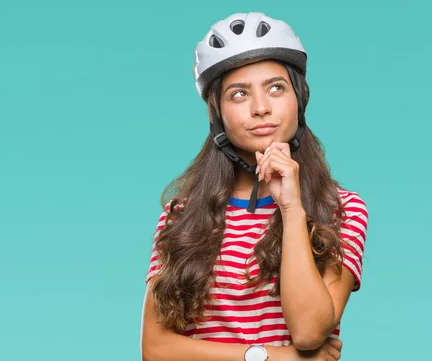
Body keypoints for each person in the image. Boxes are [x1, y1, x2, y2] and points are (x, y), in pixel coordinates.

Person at [140, 12, 368, 361]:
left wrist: (291, 209)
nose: (261, 108)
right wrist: (274, 357)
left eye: (276, 88)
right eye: (239, 94)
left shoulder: (342, 208)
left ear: (300, 98)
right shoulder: (182, 216)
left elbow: (308, 332)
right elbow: (155, 349)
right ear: (216, 114)